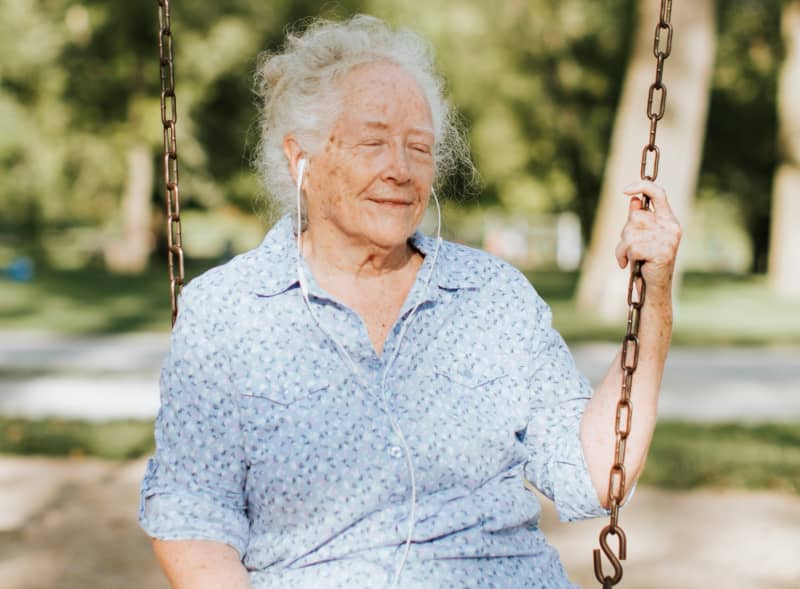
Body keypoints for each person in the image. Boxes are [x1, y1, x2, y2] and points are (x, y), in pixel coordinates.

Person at [139, 15, 681, 589]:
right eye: (372, 143)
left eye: (418, 148)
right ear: (302, 159)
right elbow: (194, 515)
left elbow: (596, 472)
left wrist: (654, 299)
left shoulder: (491, 296)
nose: (399, 169)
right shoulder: (229, 311)